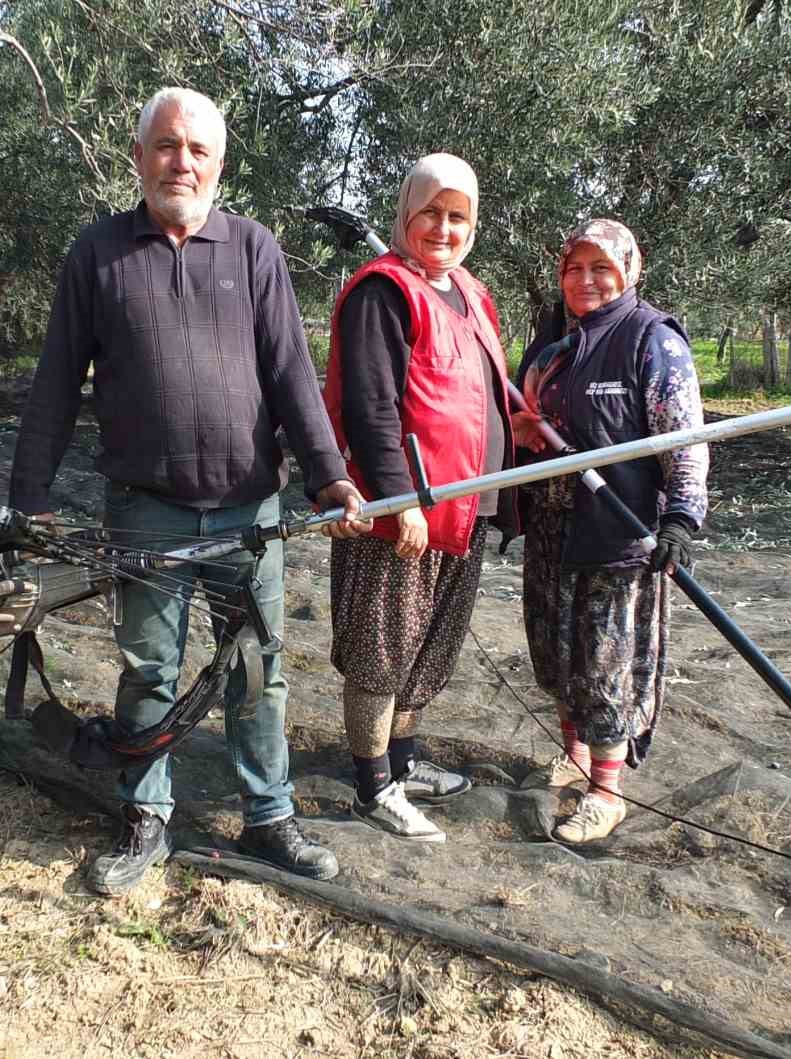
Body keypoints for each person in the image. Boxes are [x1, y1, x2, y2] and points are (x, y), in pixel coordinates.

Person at [9, 87, 369, 895]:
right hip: (146, 507)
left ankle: (269, 813)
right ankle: (147, 814)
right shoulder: (97, 254)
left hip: (250, 507)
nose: (182, 161)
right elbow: (57, 383)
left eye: (198, 150)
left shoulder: (253, 249)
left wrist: (329, 474)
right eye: (166, 146)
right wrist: (28, 494)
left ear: (219, 164)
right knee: (147, 667)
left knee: (257, 667)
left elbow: (290, 374)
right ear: (139, 158)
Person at [321, 154, 517, 842]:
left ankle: (402, 762)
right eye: (430, 211)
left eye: (458, 216)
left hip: (467, 505)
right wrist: (397, 496)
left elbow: (492, 396)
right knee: (384, 649)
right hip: (404, 513)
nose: (443, 227)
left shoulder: (472, 293)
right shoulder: (383, 292)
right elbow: (372, 405)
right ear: (405, 214)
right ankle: (374, 784)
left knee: (431, 648)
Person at [512, 218, 708, 844]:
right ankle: (573, 757)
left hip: (617, 534)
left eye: (602, 268)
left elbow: (684, 437)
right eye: (574, 268)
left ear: (629, 271)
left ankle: (606, 789)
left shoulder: (651, 338)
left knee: (605, 665)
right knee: (555, 653)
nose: (586, 280)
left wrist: (680, 516)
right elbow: (526, 420)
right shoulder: (553, 346)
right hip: (552, 529)